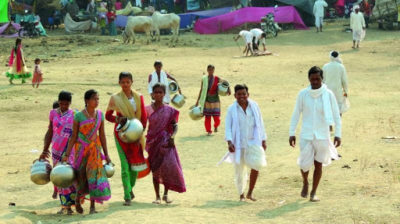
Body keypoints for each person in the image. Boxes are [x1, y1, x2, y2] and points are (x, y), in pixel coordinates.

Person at [289, 66, 342, 202]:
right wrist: (292, 133)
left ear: (322, 79)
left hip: (323, 135)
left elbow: (336, 115)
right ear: (309, 79)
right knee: (304, 164)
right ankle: (305, 182)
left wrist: (338, 134)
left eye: (317, 79)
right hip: (306, 135)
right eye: (312, 79)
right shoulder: (303, 94)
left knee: (318, 164)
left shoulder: (328, 94)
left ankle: (313, 192)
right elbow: (296, 114)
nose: (315, 82)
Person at [63, 89, 111, 214]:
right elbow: (73, 136)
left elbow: (102, 136)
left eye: (98, 99)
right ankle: (78, 200)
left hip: (95, 150)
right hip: (81, 151)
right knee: (81, 176)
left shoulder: (100, 115)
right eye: (94, 99)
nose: (97, 101)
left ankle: (92, 207)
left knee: (93, 177)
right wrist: (67, 154)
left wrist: (107, 154)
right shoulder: (78, 116)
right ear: (86, 100)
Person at [106, 72, 150, 206]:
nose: (125, 85)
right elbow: (108, 116)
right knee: (125, 166)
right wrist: (118, 119)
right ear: (119, 83)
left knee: (135, 165)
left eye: (128, 82)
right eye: (123, 82)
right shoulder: (115, 98)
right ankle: (127, 196)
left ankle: (130, 188)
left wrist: (140, 131)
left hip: (136, 134)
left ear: (132, 82)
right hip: (122, 135)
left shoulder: (139, 97)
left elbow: (143, 117)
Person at [222, 84, 267, 202]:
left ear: (248, 95)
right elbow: (228, 127)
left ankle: (250, 193)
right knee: (240, 170)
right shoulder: (231, 109)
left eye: (244, 94)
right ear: (235, 95)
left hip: (253, 141)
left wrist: (263, 139)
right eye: (239, 94)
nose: (241, 96)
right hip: (238, 144)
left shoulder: (254, 106)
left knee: (257, 165)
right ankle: (241, 194)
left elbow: (260, 123)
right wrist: (229, 142)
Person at [145, 83, 186, 204]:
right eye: (156, 92)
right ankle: (157, 196)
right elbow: (142, 125)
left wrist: (173, 137)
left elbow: (175, 125)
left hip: (166, 143)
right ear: (152, 94)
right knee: (155, 169)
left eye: (160, 92)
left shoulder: (169, 109)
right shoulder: (147, 109)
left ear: (164, 94)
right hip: (152, 144)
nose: (158, 94)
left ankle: (165, 195)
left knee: (168, 167)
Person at [39, 91, 76, 215]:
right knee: (59, 178)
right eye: (61, 103)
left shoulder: (74, 115)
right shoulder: (53, 113)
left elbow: (77, 134)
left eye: (66, 104)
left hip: (70, 151)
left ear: (70, 103)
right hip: (55, 150)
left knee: (69, 176)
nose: (64, 106)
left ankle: (71, 205)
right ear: (59, 102)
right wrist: (45, 149)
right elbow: (50, 131)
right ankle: (65, 206)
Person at [195, 65, 231, 135]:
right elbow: (201, 89)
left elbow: (226, 83)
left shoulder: (217, 78)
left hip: (215, 100)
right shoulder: (204, 79)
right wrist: (197, 101)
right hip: (207, 100)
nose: (210, 71)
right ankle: (209, 131)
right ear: (207, 70)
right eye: (209, 70)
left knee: (216, 117)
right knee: (207, 117)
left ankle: (216, 126)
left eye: (212, 70)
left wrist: (229, 89)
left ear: (214, 70)